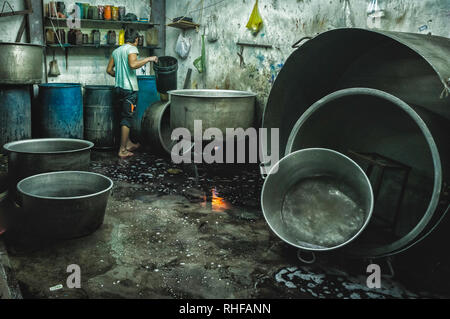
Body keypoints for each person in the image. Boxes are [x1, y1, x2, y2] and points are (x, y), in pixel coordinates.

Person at [106, 29, 158, 158]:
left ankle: (128, 143)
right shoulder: (132, 49)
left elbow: (109, 70)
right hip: (129, 89)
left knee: (123, 116)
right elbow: (133, 64)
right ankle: (122, 150)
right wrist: (149, 59)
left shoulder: (116, 51)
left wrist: (119, 75)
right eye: (137, 40)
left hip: (118, 88)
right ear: (135, 40)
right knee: (127, 119)